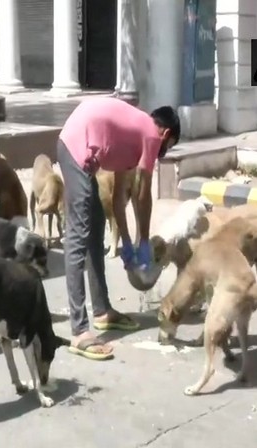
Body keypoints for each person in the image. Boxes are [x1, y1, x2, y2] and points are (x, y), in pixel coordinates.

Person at [57, 97, 180, 361]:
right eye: (167, 147)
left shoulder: (131, 136)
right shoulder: (149, 133)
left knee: (96, 224)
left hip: (79, 147)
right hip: (75, 148)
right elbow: (143, 193)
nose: (163, 152)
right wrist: (143, 242)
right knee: (78, 239)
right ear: (166, 133)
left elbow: (119, 199)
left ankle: (102, 311)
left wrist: (126, 241)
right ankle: (79, 332)